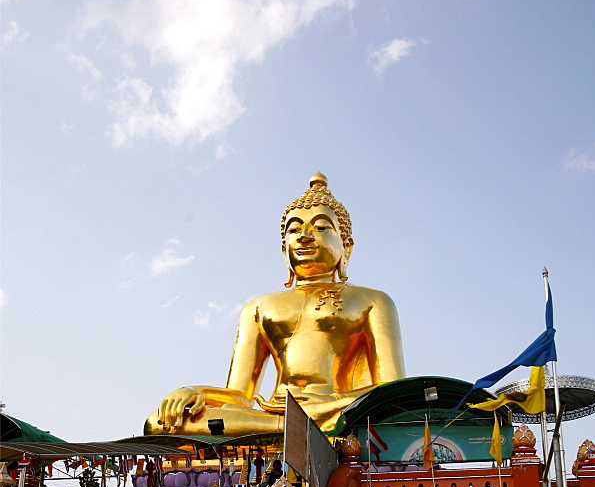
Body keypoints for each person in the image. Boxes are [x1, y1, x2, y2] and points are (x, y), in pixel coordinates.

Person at [145, 173, 404, 437]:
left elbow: (393, 391)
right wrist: (196, 392)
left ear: (346, 247)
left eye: (321, 227)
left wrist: (329, 405)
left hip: (335, 407)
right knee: (160, 423)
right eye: (294, 229)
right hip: (273, 412)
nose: (304, 236)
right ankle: (291, 428)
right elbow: (239, 395)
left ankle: (296, 428)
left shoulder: (374, 301)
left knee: (390, 408)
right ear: (284, 250)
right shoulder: (258, 307)